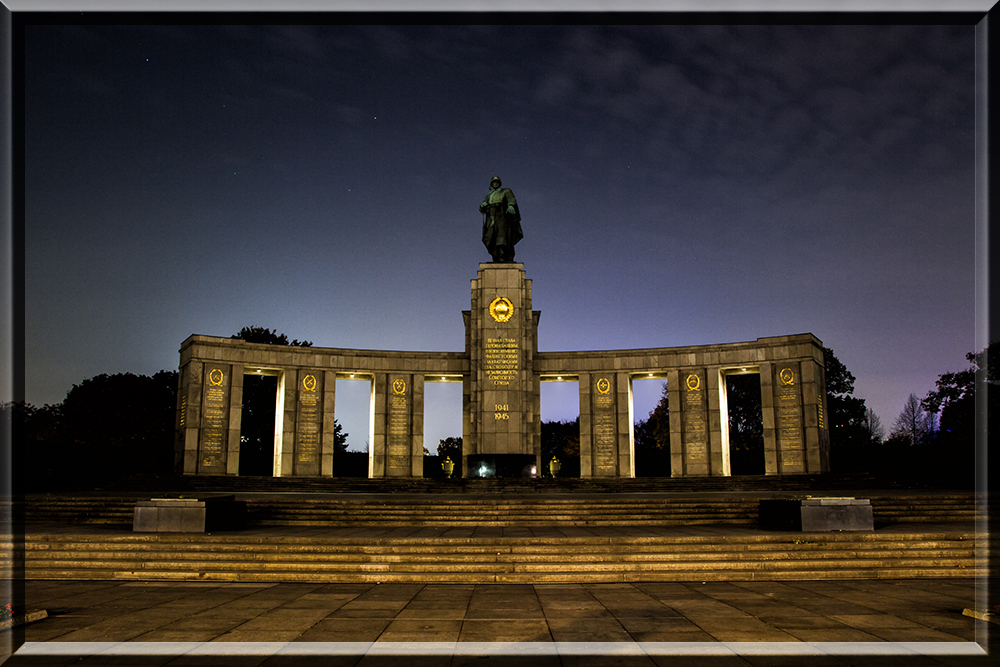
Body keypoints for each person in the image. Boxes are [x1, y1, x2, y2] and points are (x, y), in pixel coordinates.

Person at [479, 175, 522, 262]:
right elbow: (482, 208)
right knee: (490, 236)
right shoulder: (488, 195)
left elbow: (511, 200)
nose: (495, 183)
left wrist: (511, 206)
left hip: (501, 215)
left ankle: (502, 255)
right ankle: (495, 254)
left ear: (499, 183)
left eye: (496, 182)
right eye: (493, 182)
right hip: (491, 217)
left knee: (501, 235)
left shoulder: (506, 191)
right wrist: (481, 206)